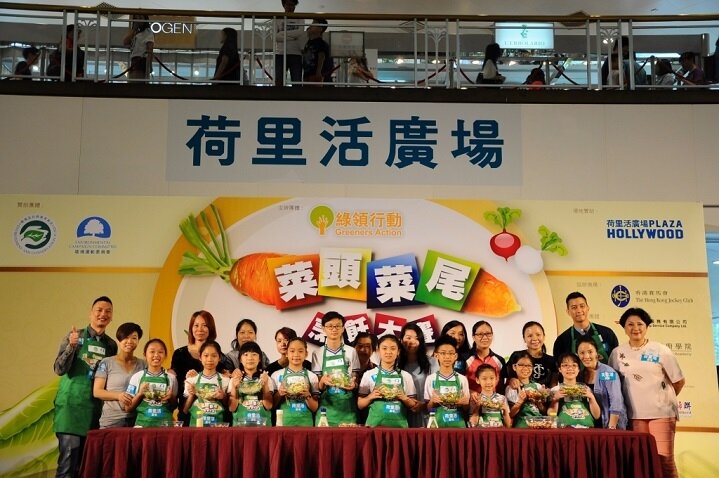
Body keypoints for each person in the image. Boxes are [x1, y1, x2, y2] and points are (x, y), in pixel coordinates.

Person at [609, 308, 685, 478]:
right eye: (630, 324)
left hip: (662, 414)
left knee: (664, 461)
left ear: (647, 326)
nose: (635, 328)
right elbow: (613, 385)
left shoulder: (661, 350)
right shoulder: (617, 353)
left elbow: (678, 381)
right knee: (641, 461)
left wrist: (662, 399)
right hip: (634, 415)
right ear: (624, 327)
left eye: (640, 324)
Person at [53, 296, 117, 478]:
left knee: (85, 468)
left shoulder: (111, 345)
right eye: (99, 310)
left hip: (93, 410)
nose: (103, 314)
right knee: (67, 466)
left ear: (112, 317)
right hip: (70, 407)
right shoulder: (75, 336)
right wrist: (71, 347)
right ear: (90, 313)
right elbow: (59, 369)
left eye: (108, 311)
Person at [170, 310, 225, 426]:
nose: (200, 329)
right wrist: (190, 381)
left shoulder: (220, 356)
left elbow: (222, 380)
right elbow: (174, 380)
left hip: (213, 413)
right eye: (196, 325)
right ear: (191, 328)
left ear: (211, 328)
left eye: (204, 325)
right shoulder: (179, 353)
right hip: (187, 409)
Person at [311, 311, 360, 426]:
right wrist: (322, 381)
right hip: (326, 408)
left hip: (347, 408)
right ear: (323, 328)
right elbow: (316, 384)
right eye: (330, 326)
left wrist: (354, 384)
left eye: (338, 326)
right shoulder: (317, 353)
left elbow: (355, 376)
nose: (334, 329)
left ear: (343, 328)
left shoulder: (351, 351)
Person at [358, 335, 418, 428]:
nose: (388, 352)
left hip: (399, 428)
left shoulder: (406, 376)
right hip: (374, 427)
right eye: (384, 348)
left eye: (393, 348)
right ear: (378, 351)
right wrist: (370, 397)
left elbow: (414, 407)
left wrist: (404, 398)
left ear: (398, 352)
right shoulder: (369, 374)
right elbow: (360, 405)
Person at [93, 322, 145, 428]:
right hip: (111, 421)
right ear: (118, 340)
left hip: (136, 421)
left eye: (134, 338)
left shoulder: (143, 364)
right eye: (125, 337)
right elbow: (97, 391)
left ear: (138, 341)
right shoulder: (106, 362)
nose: (129, 341)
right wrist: (118, 395)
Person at [552, 291, 619, 364]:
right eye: (574, 307)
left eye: (582, 306)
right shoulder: (562, 341)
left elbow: (617, 362)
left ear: (588, 308)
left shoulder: (607, 333)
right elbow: (559, 366)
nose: (579, 310)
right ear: (568, 311)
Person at [576, 336, 627, 429]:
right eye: (582, 353)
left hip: (608, 424)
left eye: (590, 352)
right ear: (577, 354)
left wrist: (611, 427)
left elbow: (616, 401)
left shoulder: (608, 372)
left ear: (596, 352)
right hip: (589, 424)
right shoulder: (579, 375)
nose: (586, 356)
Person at [127, 338, 178, 427]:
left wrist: (171, 397)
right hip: (142, 426)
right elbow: (128, 408)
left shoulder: (171, 378)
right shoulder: (137, 377)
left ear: (165, 355)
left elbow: (174, 406)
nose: (156, 355)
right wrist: (140, 394)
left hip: (165, 427)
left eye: (160, 352)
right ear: (145, 355)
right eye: (152, 352)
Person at [272, 337, 319, 426]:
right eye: (292, 351)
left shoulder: (312, 376)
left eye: (300, 351)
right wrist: (279, 394)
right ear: (286, 353)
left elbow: (315, 408)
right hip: (284, 423)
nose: (296, 354)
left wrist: (308, 396)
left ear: (306, 354)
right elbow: (271, 406)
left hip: (306, 424)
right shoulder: (276, 375)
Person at [424, 336, 470, 428]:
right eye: (443, 353)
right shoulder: (430, 379)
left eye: (450, 353)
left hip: (459, 427)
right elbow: (428, 409)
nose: (447, 357)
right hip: (437, 426)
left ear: (455, 356)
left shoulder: (462, 379)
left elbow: (466, 409)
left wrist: (465, 403)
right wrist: (432, 401)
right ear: (436, 355)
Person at [398, 322, 438, 427]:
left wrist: (424, 405)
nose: (412, 341)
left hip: (427, 414)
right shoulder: (395, 363)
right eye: (408, 338)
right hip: (401, 415)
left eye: (416, 338)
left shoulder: (432, 362)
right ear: (401, 340)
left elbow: (437, 389)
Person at [183, 340, 229, 427]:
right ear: (200, 357)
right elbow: (185, 410)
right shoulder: (192, 380)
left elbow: (230, 408)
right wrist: (192, 395)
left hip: (217, 427)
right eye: (206, 355)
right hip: (196, 427)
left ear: (219, 358)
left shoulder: (225, 380)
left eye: (214, 356)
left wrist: (223, 397)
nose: (209, 359)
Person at [228, 341, 274, 426]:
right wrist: (234, 387)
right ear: (240, 359)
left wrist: (265, 385)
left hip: (262, 426)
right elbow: (232, 408)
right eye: (246, 354)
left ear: (259, 359)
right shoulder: (234, 379)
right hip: (240, 426)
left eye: (254, 354)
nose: (250, 358)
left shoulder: (266, 378)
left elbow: (268, 406)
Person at [550, 353, 601, 428]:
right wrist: (555, 399)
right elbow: (551, 416)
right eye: (565, 365)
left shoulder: (586, 389)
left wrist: (591, 398)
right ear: (560, 369)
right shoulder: (555, 390)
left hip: (587, 428)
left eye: (574, 365)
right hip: (564, 429)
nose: (570, 368)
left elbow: (597, 416)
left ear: (579, 369)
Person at [504, 321, 557, 388]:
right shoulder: (516, 356)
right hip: (518, 393)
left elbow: (553, 385)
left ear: (544, 336)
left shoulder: (552, 360)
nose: (534, 338)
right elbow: (508, 378)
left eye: (538, 334)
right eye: (530, 336)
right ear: (524, 339)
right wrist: (511, 380)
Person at [505, 351, 549, 428]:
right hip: (521, 425)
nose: (525, 368)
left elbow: (544, 412)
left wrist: (539, 402)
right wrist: (520, 402)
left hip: (539, 424)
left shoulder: (538, 386)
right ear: (514, 367)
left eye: (529, 365)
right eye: (521, 365)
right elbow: (510, 414)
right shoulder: (511, 388)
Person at [465, 320, 505, 395]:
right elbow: (460, 385)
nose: (485, 337)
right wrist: (472, 393)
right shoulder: (465, 359)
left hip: (493, 401)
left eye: (488, 334)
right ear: (473, 337)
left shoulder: (500, 360)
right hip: (470, 401)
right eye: (480, 334)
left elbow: (501, 389)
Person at [275, 0, 304, 86]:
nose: (290, 7)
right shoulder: (278, 18)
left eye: (292, 5)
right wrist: (293, 37)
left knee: (297, 81)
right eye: (288, 4)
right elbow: (276, 37)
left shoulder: (300, 18)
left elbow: (300, 32)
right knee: (279, 81)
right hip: (280, 53)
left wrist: (281, 33)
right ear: (284, 5)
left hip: (296, 53)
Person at [123, 15, 154, 80]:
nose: (138, 20)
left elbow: (150, 49)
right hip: (134, 61)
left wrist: (149, 66)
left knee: (136, 81)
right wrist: (133, 30)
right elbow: (125, 42)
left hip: (141, 61)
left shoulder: (148, 32)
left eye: (140, 18)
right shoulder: (136, 33)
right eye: (136, 18)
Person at [302, 18, 333, 85]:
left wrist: (318, 72)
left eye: (314, 24)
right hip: (307, 74)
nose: (311, 25)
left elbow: (321, 56)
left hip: (316, 75)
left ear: (320, 29)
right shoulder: (308, 43)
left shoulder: (321, 43)